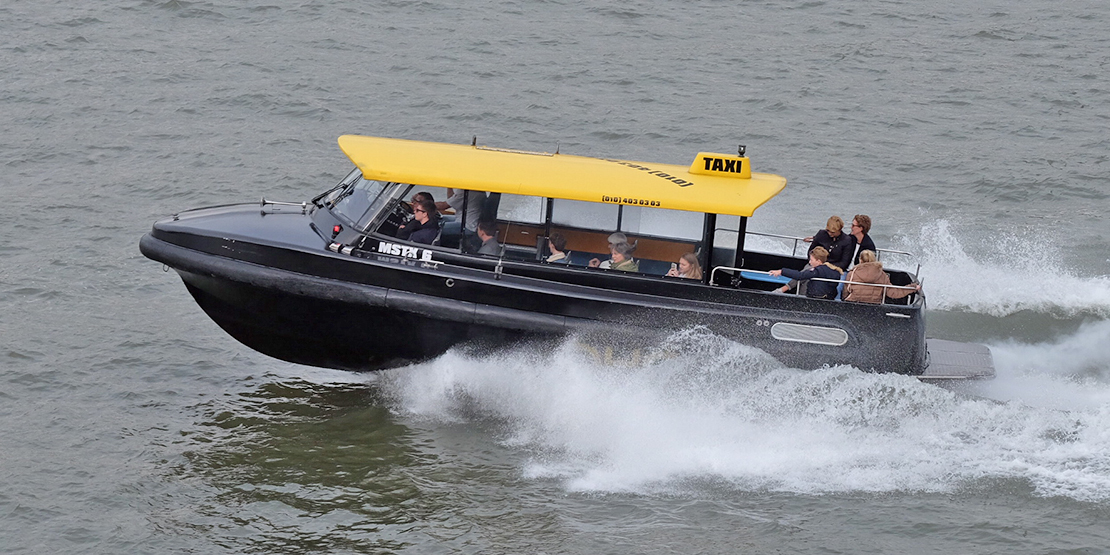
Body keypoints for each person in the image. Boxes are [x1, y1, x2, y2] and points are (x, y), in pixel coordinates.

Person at [778, 215, 852, 294]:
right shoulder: (821, 234)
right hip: (816, 263)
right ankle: (801, 296)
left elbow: (844, 263)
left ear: (839, 230)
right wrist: (815, 263)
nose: (830, 234)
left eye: (833, 232)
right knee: (807, 273)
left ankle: (785, 289)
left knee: (810, 273)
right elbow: (810, 251)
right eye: (828, 231)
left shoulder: (846, 240)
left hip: (833, 268)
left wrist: (824, 267)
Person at [843, 250, 920, 304]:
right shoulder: (882, 274)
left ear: (860, 260)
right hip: (875, 306)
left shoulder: (852, 273)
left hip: (853, 304)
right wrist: (912, 287)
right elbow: (892, 293)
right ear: (874, 259)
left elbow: (846, 292)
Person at [768, 246, 841, 300]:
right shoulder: (834, 271)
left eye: (811, 260)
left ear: (818, 261)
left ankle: (783, 290)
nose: (809, 262)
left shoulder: (817, 271)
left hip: (814, 300)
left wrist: (782, 271)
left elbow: (800, 275)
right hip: (828, 300)